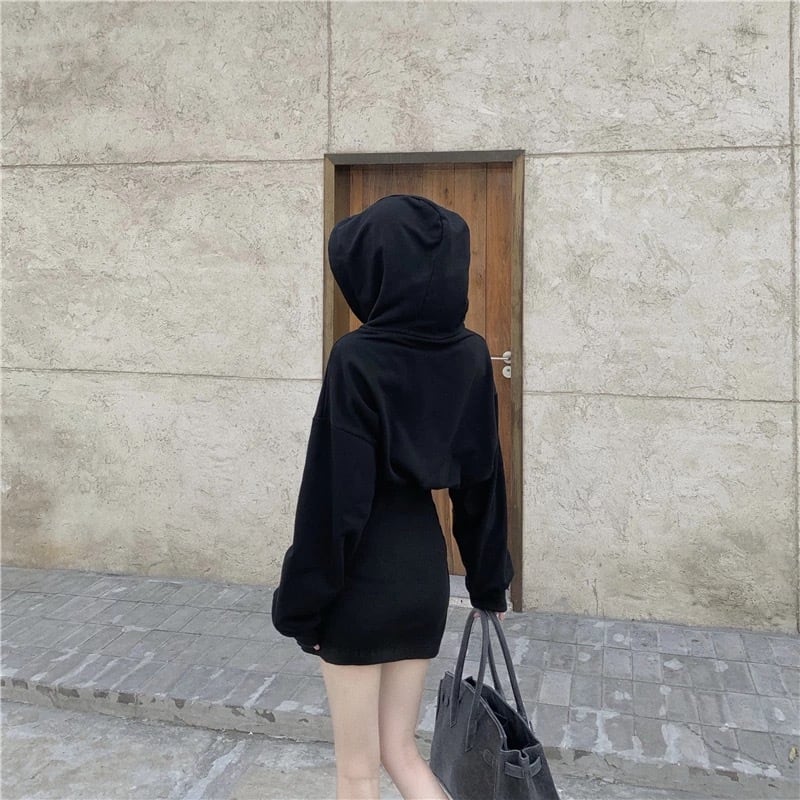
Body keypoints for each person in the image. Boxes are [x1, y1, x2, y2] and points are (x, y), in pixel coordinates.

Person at [271, 194, 515, 800]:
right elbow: (482, 482)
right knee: (401, 752)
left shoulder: (357, 357)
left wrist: (302, 605)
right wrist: (488, 583)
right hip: (423, 576)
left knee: (357, 771)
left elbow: (335, 501)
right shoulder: (470, 354)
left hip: (360, 581)